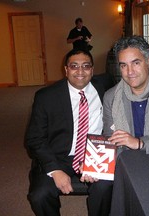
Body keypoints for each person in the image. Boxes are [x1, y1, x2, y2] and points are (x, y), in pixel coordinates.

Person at [26, 49, 112, 216]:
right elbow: (34, 138)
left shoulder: (106, 87)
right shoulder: (46, 97)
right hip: (57, 154)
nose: (80, 71)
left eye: (86, 66)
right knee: (39, 195)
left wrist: (95, 160)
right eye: (74, 66)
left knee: (105, 187)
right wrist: (55, 170)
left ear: (92, 70)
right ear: (66, 70)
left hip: (94, 153)